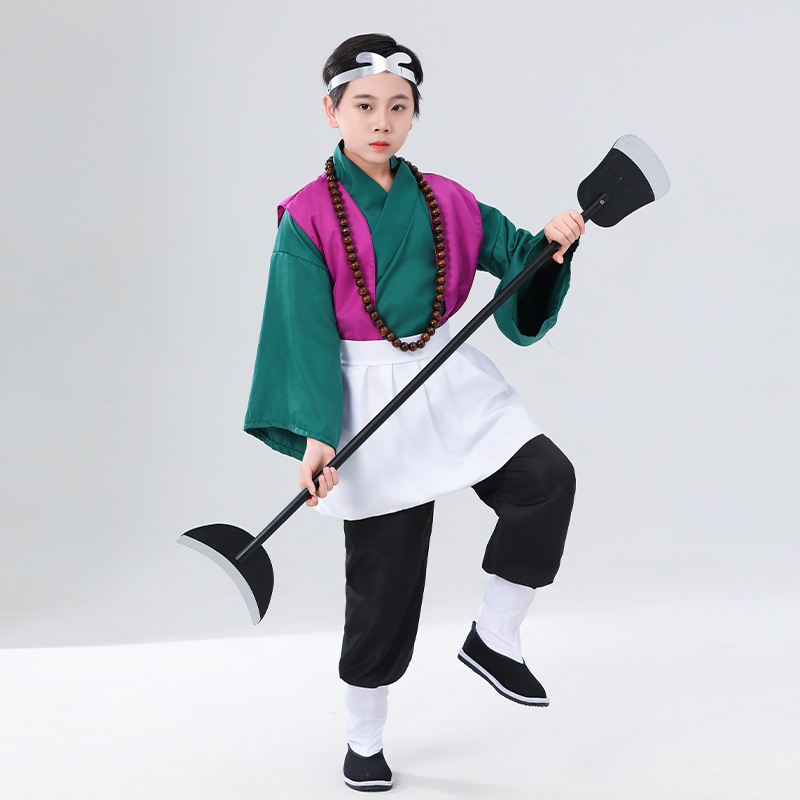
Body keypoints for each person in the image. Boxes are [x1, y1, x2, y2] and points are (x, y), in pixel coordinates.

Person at [244, 33, 584, 792]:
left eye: (399, 107)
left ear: (413, 115)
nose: (382, 122)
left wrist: (552, 246)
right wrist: (317, 437)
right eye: (364, 105)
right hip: (362, 393)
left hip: (443, 374)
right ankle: (363, 737)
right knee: (385, 576)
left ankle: (495, 634)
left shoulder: (447, 200)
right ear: (331, 111)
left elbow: (517, 257)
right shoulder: (307, 216)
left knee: (545, 479)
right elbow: (301, 330)